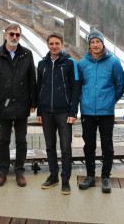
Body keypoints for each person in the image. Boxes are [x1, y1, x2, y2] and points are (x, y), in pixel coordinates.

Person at [0, 23, 37, 187]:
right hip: (3, 105)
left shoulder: (27, 54)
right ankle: (2, 171)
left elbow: (32, 79)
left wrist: (33, 102)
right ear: (5, 35)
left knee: (21, 140)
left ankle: (20, 171)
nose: (14, 37)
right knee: (3, 140)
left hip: (22, 104)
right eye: (12, 34)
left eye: (17, 35)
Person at [77, 30, 124, 193]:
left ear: (103, 44)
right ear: (89, 45)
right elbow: (79, 85)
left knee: (107, 145)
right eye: (92, 42)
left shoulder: (113, 62)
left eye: (98, 42)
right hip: (87, 112)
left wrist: (111, 100)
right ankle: (90, 176)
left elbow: (120, 85)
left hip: (106, 112)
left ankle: (105, 177)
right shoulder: (82, 63)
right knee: (88, 145)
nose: (95, 45)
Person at [36, 32, 80, 195]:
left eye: (57, 43)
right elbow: (39, 88)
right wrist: (39, 110)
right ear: (47, 45)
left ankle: (66, 180)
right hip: (47, 112)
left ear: (62, 45)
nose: (54, 46)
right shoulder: (41, 63)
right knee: (50, 147)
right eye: (51, 43)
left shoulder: (70, 63)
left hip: (64, 112)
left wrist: (73, 111)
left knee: (66, 148)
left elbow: (76, 87)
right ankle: (53, 176)